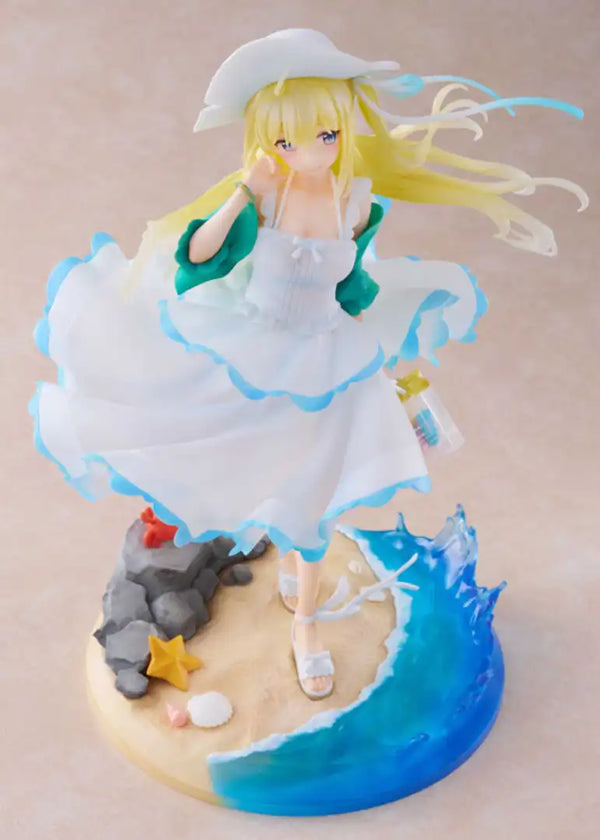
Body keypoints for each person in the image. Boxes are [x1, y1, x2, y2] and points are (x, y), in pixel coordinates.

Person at [31, 29, 587, 700]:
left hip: (326, 360)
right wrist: (244, 191)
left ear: (343, 131)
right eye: (287, 141)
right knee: (240, 460)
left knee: (318, 495)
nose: (310, 152)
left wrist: (386, 350)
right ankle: (269, 565)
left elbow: (353, 289)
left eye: (325, 135)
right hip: (257, 353)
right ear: (266, 143)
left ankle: (305, 622)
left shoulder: (356, 202)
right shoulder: (263, 196)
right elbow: (197, 259)